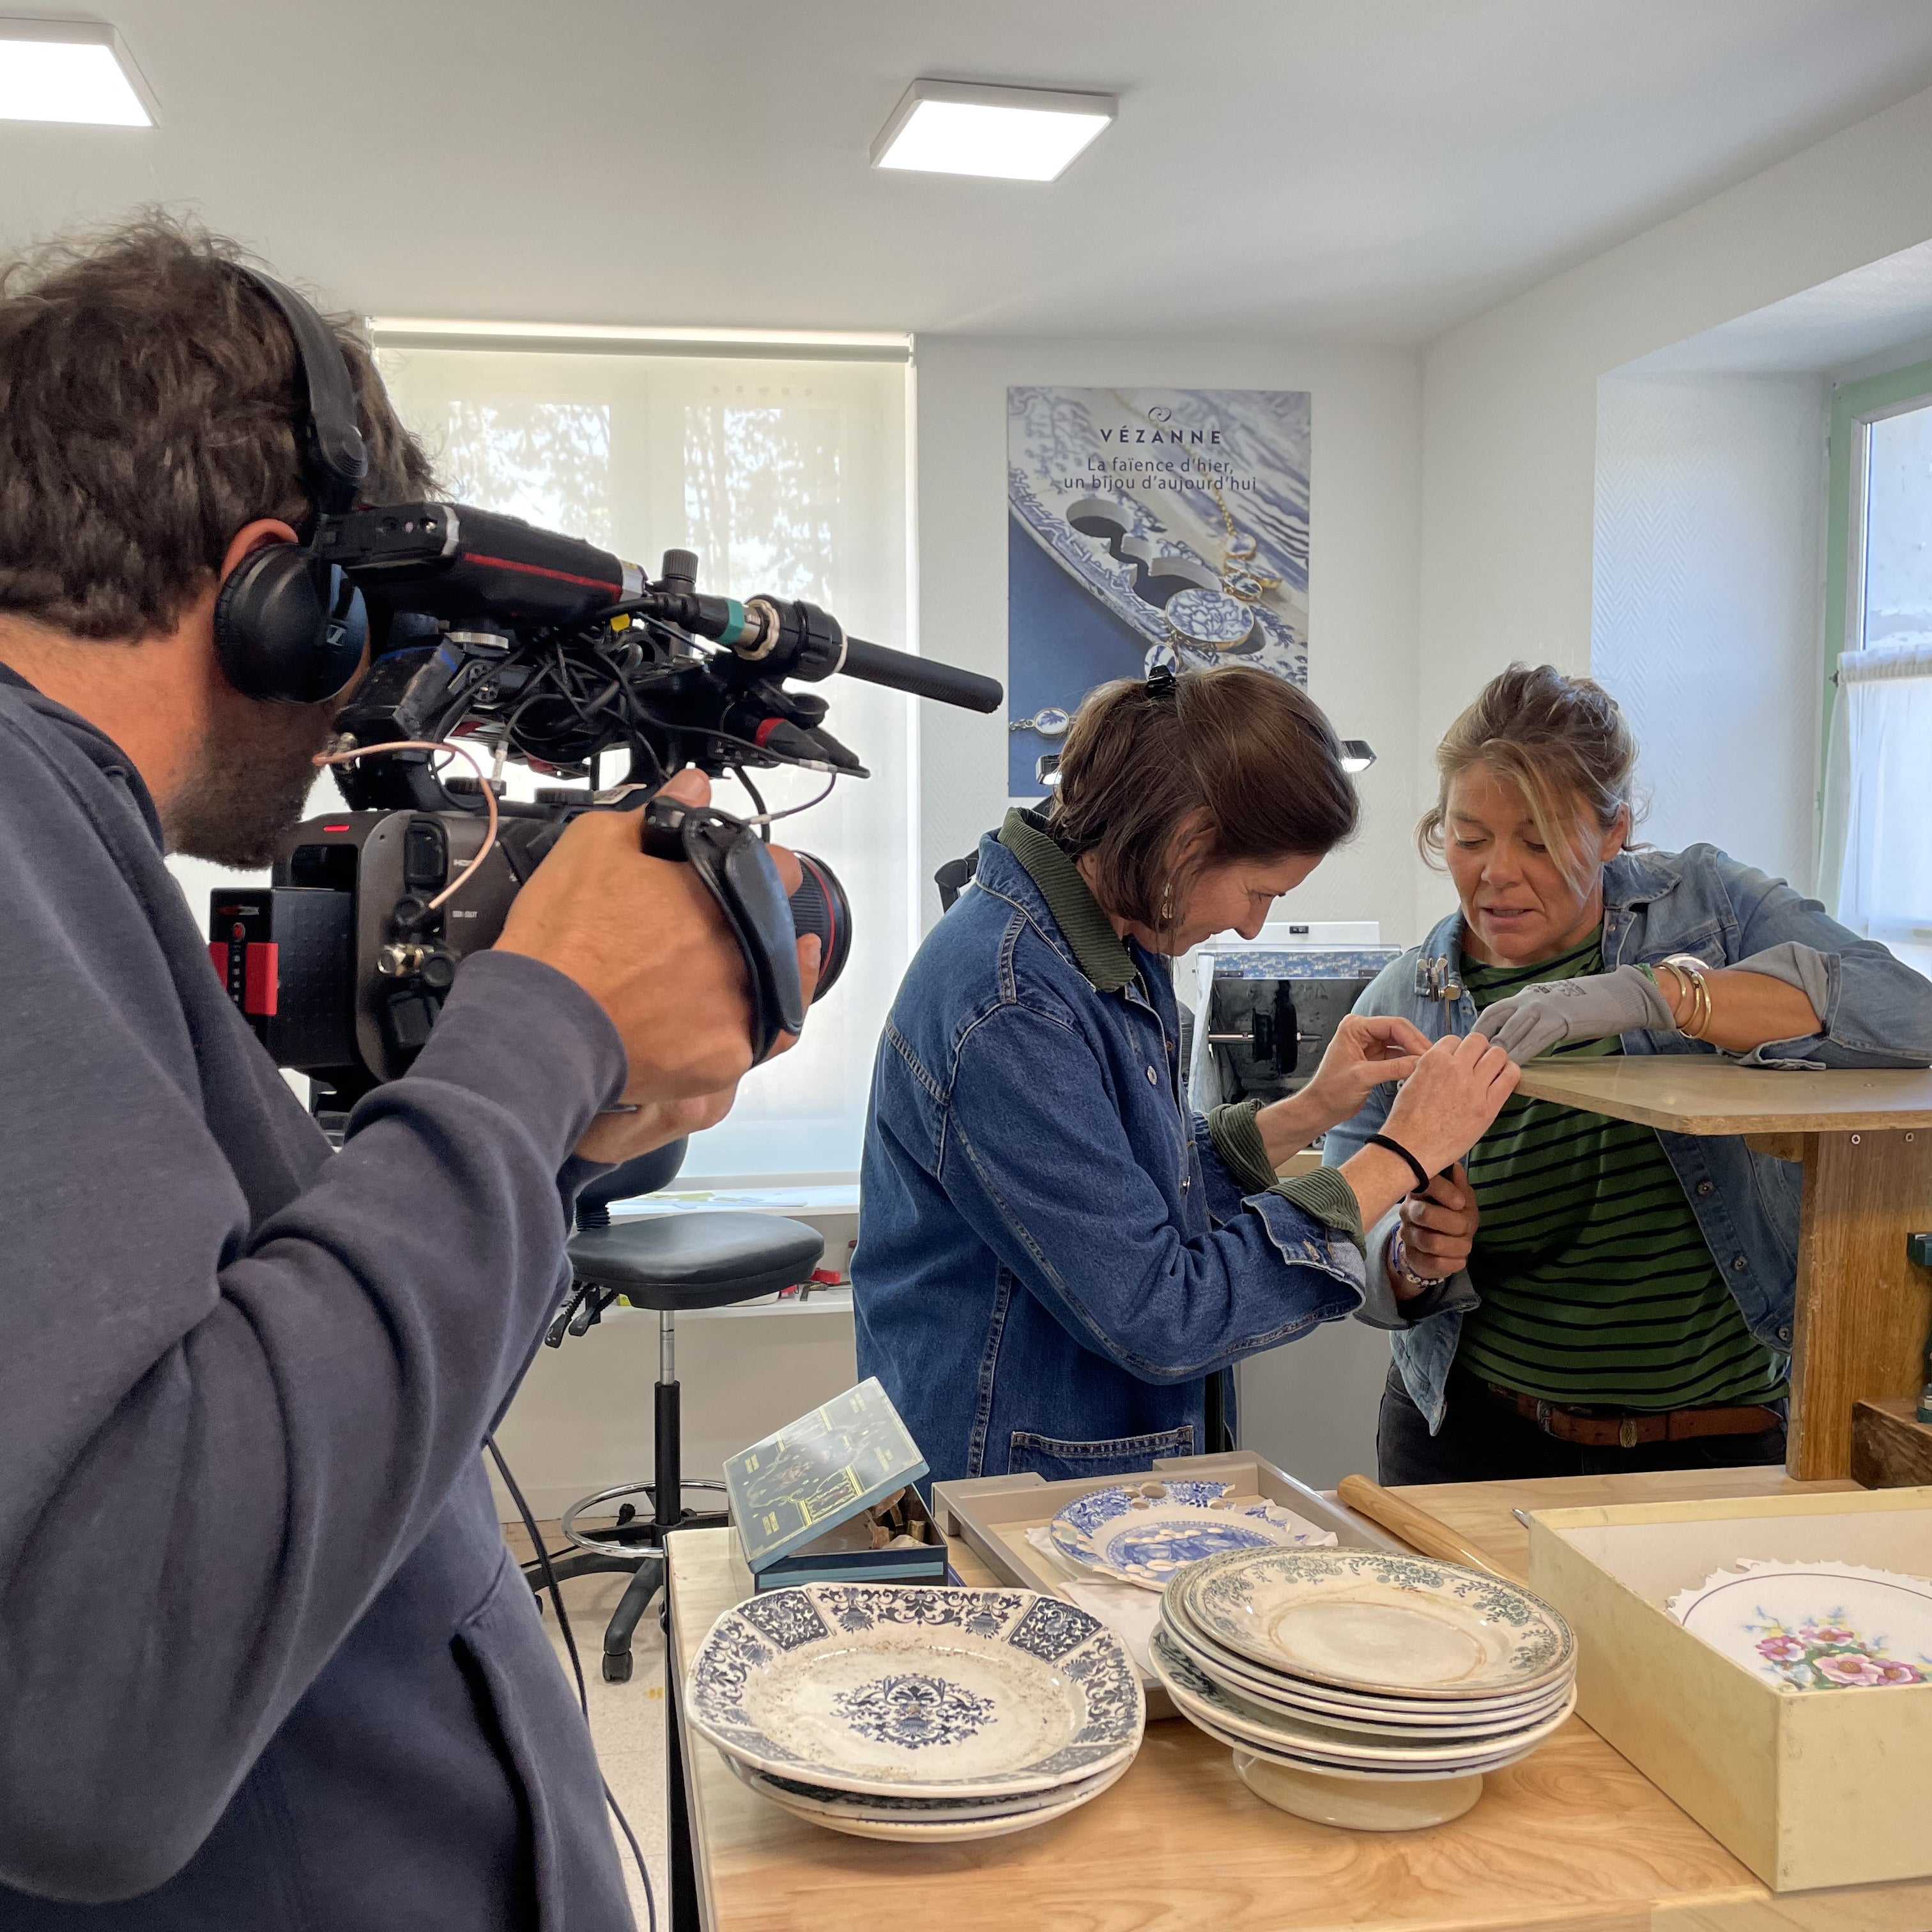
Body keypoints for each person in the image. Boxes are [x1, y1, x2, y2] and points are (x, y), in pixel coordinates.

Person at [0, 218, 815, 1925]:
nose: (359, 698)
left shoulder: (70, 855)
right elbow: (93, 1720)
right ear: (280, 588)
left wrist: (561, 1130)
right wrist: (538, 1023)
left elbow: (293, 1395)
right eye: (363, 631)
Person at [852, 664, 1521, 1486]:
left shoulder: (1110, 939)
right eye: (1256, 890)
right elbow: (1161, 1312)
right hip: (1009, 1482)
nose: (1250, 927)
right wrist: (1402, 1154)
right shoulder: (1015, 1006)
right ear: (1189, 841)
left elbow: (1124, 1189)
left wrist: (1310, 1110)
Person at [1324, 663, 1932, 1485]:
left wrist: (1662, 994)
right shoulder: (1410, 999)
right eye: (1469, 838)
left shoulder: (1714, 908)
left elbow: (1908, 1015)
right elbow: (1342, 1228)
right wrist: (1410, 1257)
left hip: (1725, 1440)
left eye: (1538, 840)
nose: (1497, 872)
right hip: (1475, 1440)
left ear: (1614, 833)